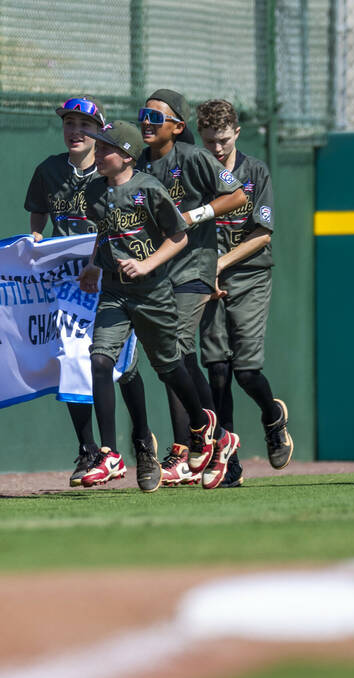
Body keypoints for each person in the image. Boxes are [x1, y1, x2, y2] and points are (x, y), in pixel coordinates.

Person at [77, 121, 216, 492]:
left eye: (105, 148)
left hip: (152, 293)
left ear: (125, 155)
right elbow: (104, 234)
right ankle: (109, 452)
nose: (98, 153)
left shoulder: (149, 189)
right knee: (100, 359)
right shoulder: (94, 191)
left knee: (169, 367)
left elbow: (179, 236)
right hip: (113, 291)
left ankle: (201, 427)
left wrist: (148, 264)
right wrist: (93, 263)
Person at [23, 95, 148, 488]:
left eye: (85, 125)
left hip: (111, 276)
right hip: (69, 282)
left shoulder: (111, 169)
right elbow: (38, 214)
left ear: (100, 130)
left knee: (122, 367)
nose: (75, 131)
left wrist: (99, 260)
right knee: (73, 359)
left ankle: (142, 442)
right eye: (69, 124)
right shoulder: (48, 170)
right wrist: (35, 236)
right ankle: (90, 449)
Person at [136, 89, 247, 489]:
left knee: (178, 345)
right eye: (143, 115)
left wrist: (192, 215)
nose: (147, 122)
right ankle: (213, 442)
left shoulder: (194, 158)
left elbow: (238, 196)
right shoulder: (138, 164)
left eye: (155, 116)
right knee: (171, 357)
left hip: (194, 268)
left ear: (177, 126)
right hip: (157, 273)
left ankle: (194, 441)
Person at [196, 99, 294, 487]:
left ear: (236, 132)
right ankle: (228, 460)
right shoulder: (196, 172)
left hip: (249, 276)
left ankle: (272, 417)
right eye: (209, 141)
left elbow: (263, 233)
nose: (217, 149)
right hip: (207, 278)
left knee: (246, 370)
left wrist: (221, 262)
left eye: (222, 139)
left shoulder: (255, 171)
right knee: (217, 370)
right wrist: (205, 268)